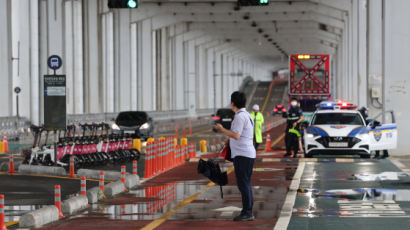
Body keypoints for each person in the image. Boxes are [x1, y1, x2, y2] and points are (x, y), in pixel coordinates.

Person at [214, 91, 255, 222]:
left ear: (233, 103)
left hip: (243, 154)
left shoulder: (239, 117)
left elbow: (236, 135)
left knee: (244, 184)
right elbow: (239, 135)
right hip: (246, 153)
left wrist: (222, 129)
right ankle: (248, 211)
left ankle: (247, 212)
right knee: (245, 183)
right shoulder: (246, 115)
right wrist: (229, 140)